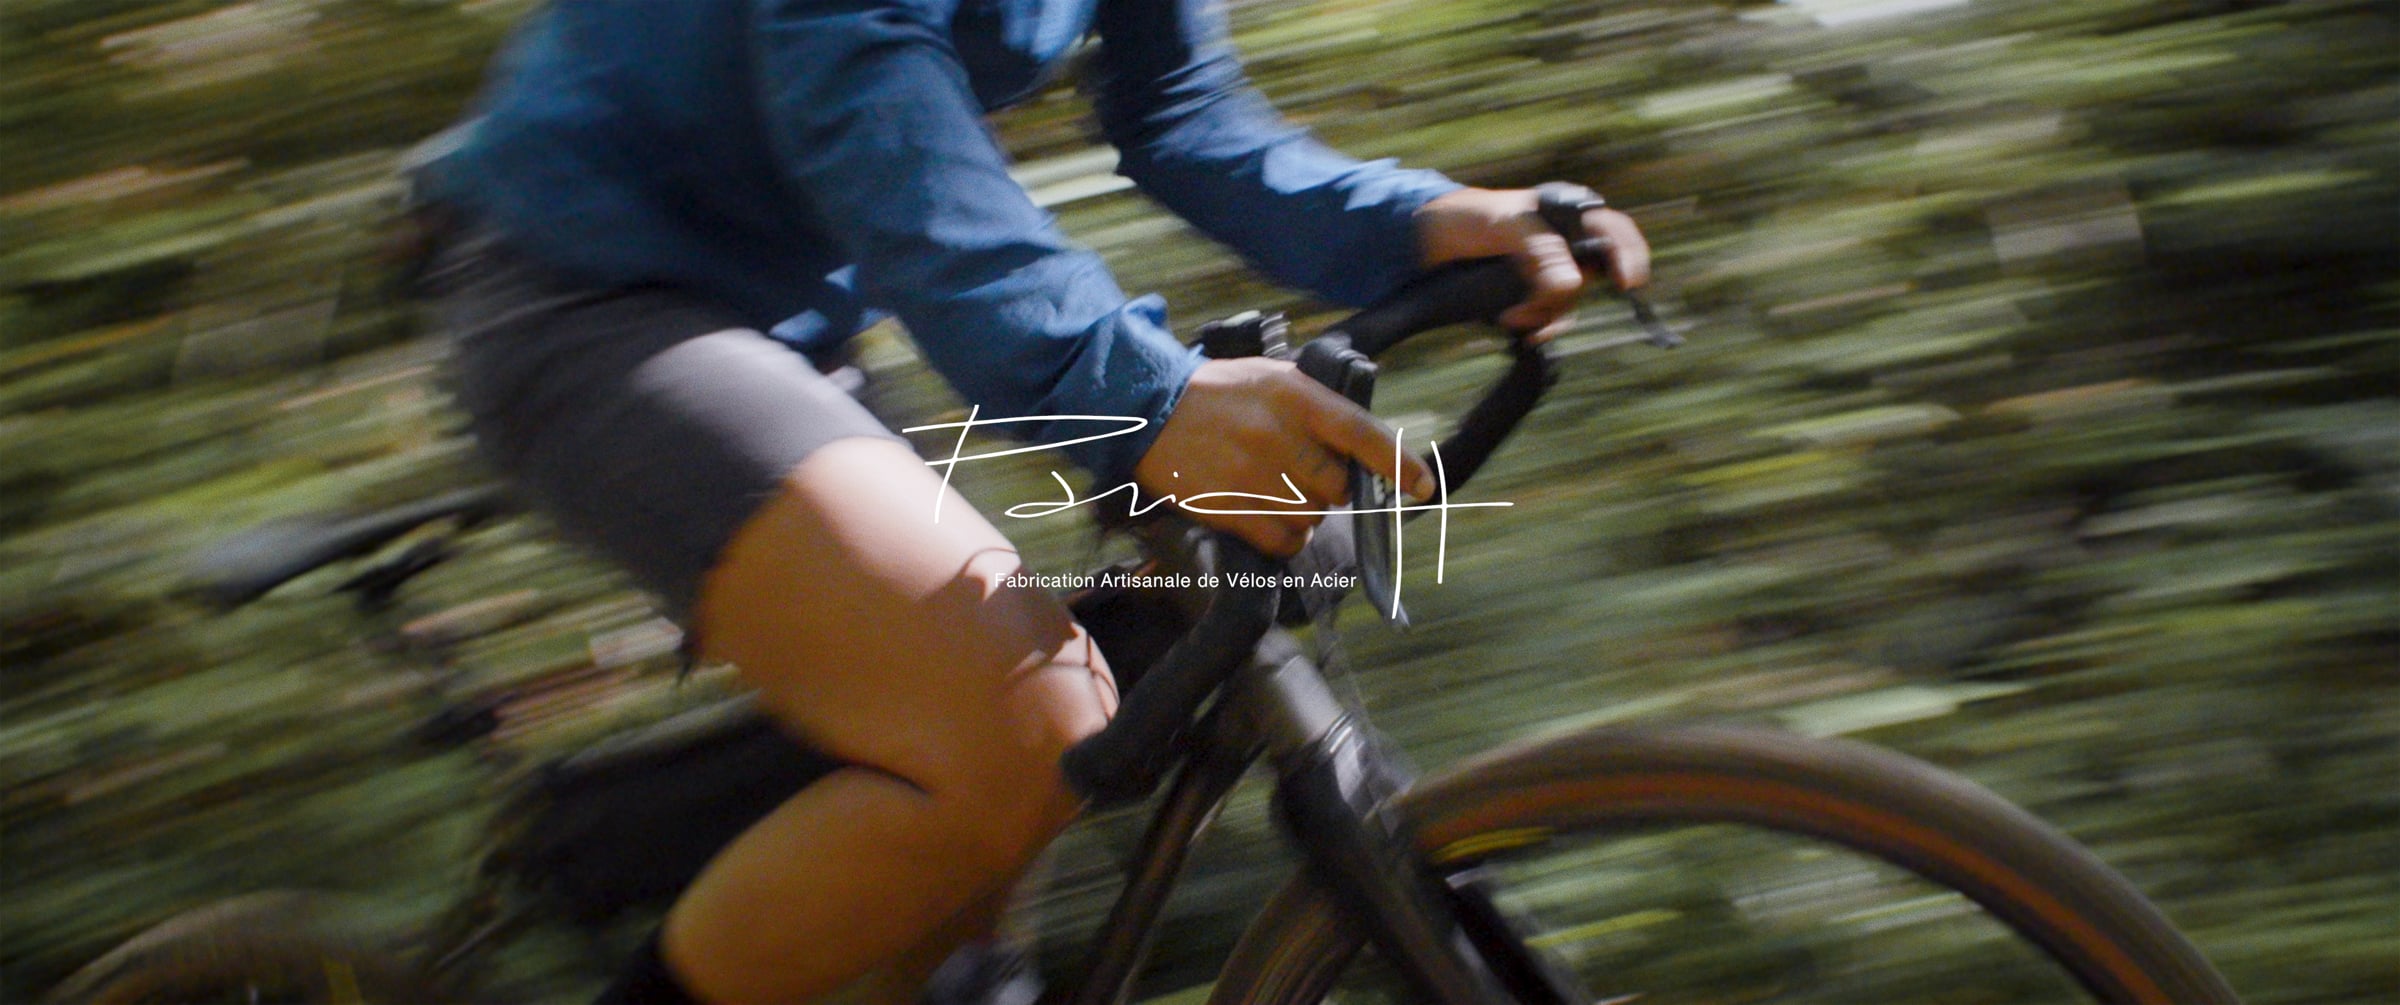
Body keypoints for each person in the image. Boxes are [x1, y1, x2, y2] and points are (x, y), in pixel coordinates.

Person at [411, 0, 1649, 1001]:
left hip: (799, 318)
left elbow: (1181, 111)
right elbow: (860, 85)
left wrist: (1424, 220)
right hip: (586, 297)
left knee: (1058, 718)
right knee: (1021, 721)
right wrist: (1144, 395)